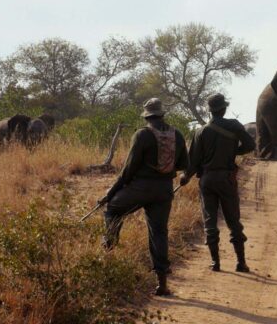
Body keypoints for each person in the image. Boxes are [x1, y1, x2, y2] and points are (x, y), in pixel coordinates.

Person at [99, 98, 189, 296]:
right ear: (162, 114)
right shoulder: (178, 135)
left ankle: (109, 247)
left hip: (140, 188)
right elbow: (183, 163)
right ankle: (162, 283)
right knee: (159, 232)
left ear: (147, 115)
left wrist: (110, 193)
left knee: (113, 209)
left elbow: (128, 171)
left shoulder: (142, 135)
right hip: (164, 190)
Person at [180, 93, 256, 272]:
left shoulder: (200, 131)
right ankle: (241, 263)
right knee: (233, 221)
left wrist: (186, 176)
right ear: (224, 108)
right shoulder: (234, 126)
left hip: (207, 180)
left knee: (210, 221)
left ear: (210, 111)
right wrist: (232, 151)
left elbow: (193, 160)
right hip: (226, 179)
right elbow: (250, 145)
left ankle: (216, 263)